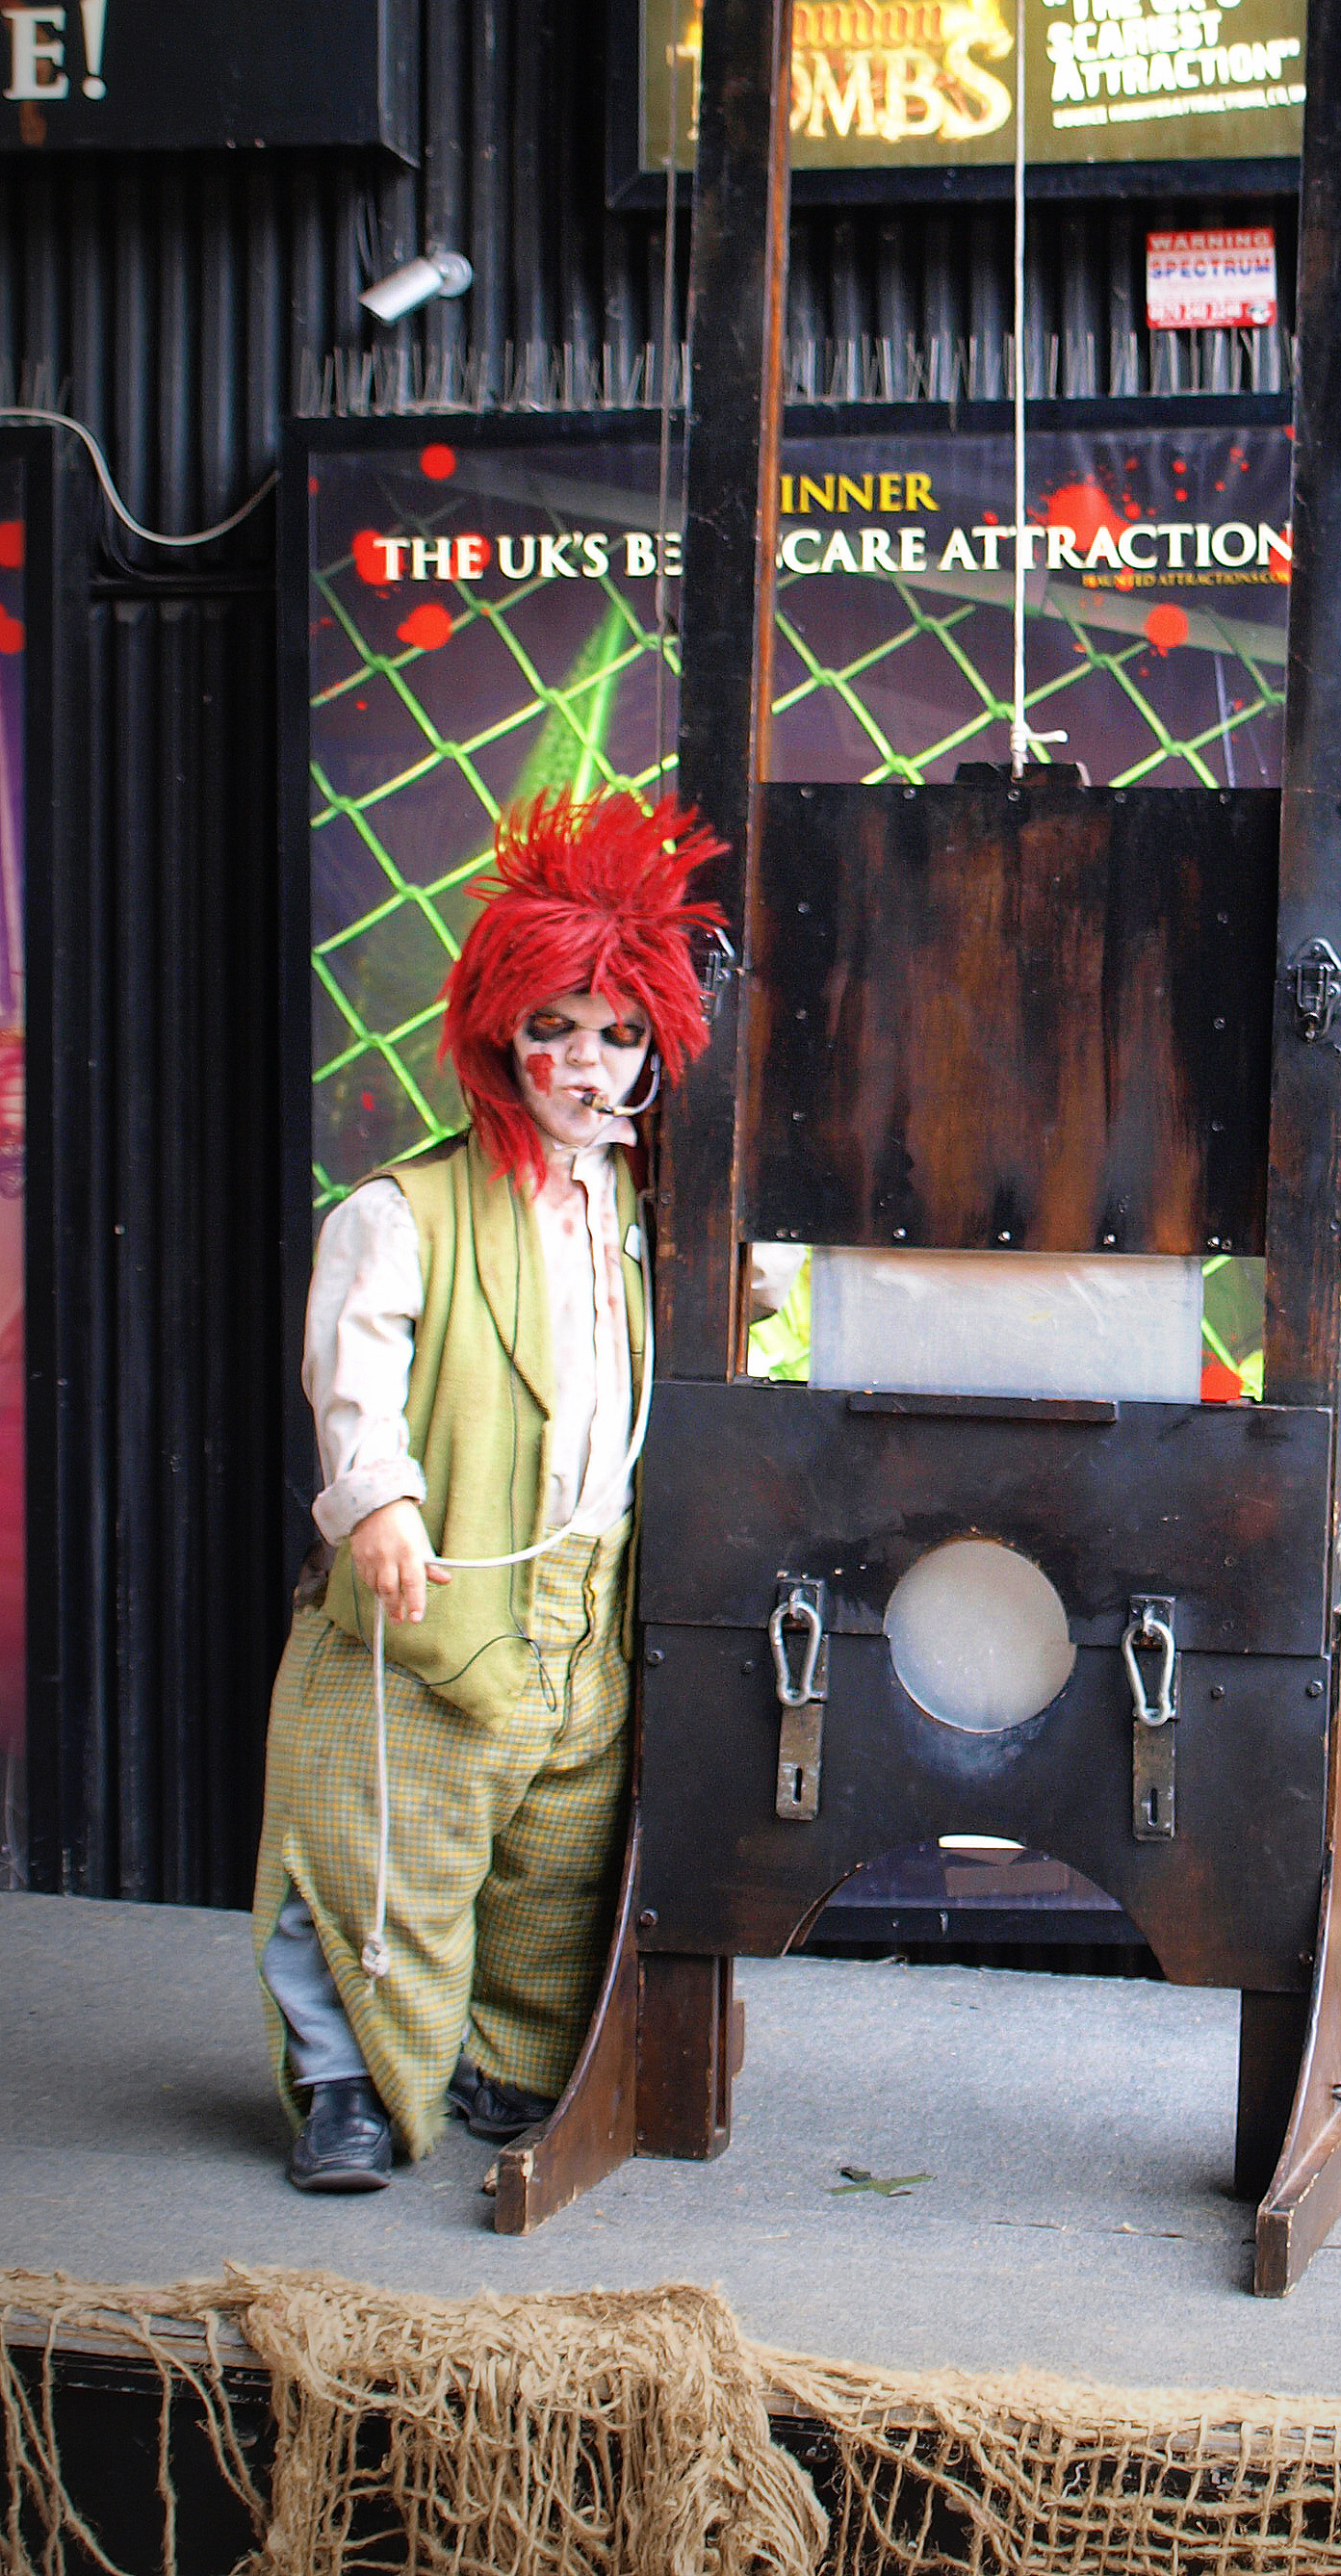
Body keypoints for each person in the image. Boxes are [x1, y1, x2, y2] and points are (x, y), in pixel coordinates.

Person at [251, 787, 726, 2191]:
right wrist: (379, 1501)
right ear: (497, 1033)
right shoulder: (404, 1211)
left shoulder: (649, 1214)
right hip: (444, 1595)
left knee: (557, 1864)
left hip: (585, 1607)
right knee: (378, 1843)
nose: (584, 1060)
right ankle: (344, 2082)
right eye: (554, 1027)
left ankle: (512, 2066)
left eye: (617, 1033)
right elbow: (355, 1368)